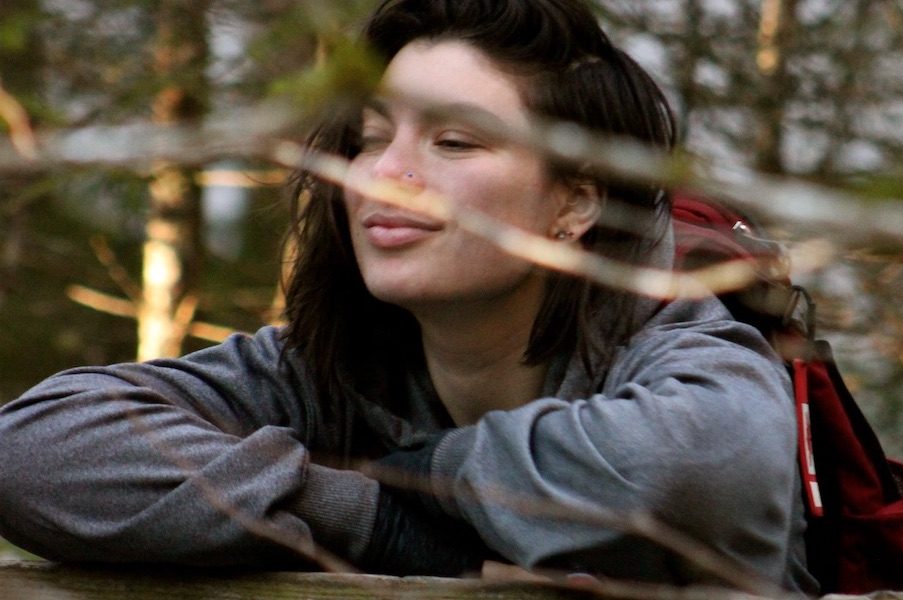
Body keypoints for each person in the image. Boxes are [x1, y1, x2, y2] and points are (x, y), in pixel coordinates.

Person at [0, 0, 817, 592]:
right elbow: (31, 451)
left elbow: (703, 463)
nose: (384, 175)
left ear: (575, 202)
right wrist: (379, 522)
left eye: (453, 141)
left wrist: (421, 482)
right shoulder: (327, 368)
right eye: (370, 139)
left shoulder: (674, 341)